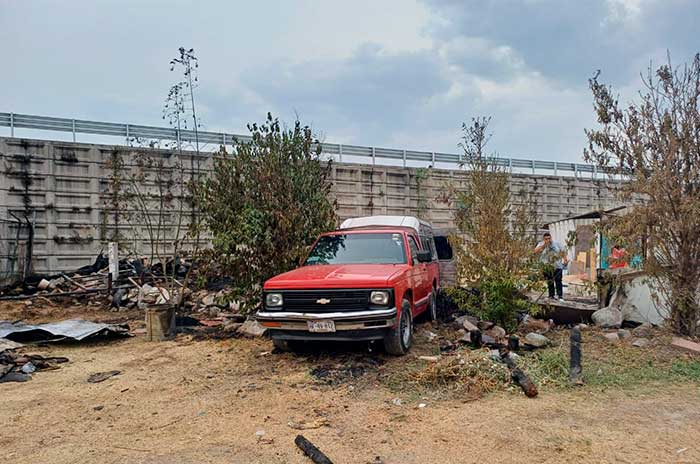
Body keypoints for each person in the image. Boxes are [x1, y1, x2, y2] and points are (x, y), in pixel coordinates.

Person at [534, 232, 569, 301]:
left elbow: (562, 251)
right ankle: (551, 295)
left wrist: (565, 259)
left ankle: (560, 296)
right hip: (547, 266)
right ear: (544, 239)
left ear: (551, 238)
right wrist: (544, 245)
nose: (548, 240)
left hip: (557, 265)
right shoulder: (541, 244)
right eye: (546, 239)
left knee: (558, 281)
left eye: (549, 238)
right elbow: (535, 251)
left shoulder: (556, 244)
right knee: (550, 281)